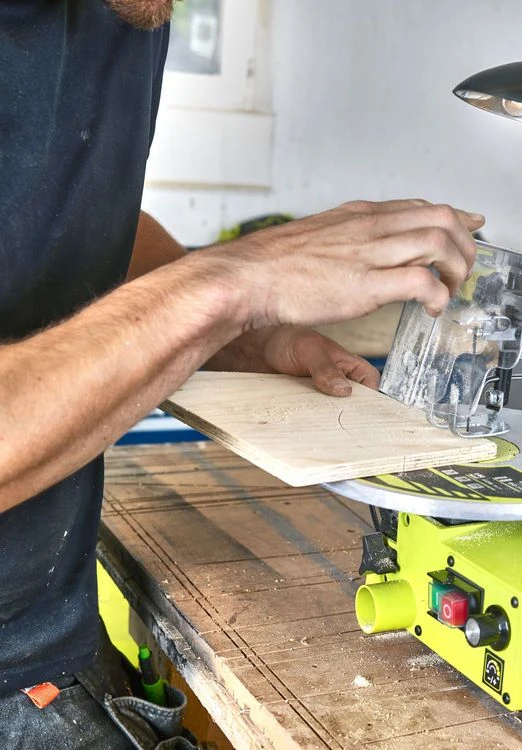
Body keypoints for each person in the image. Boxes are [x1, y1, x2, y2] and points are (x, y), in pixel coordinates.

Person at [0, 1, 483, 746]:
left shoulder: (129, 11)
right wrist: (232, 285)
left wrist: (249, 336)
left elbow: (62, 219)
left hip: (52, 641)